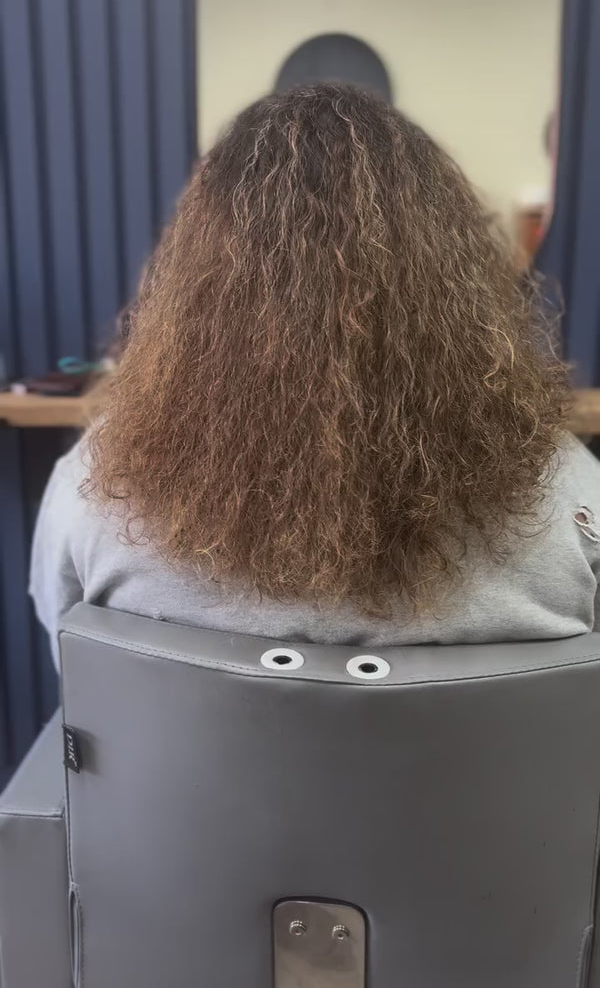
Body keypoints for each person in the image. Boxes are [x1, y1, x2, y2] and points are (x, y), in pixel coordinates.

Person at [30, 84, 600, 670]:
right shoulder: (574, 500)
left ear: (193, 278)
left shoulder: (95, 493)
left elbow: (73, 667)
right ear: (461, 274)